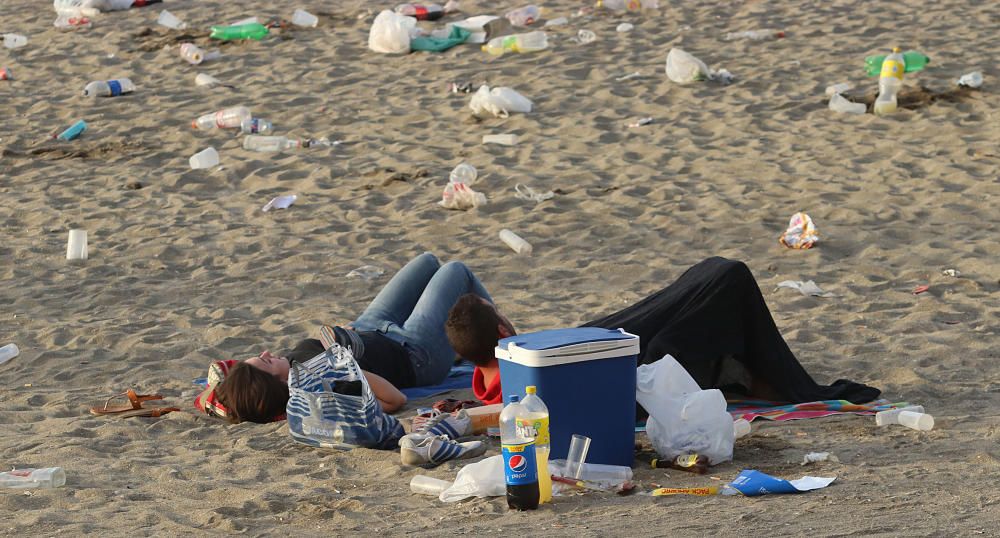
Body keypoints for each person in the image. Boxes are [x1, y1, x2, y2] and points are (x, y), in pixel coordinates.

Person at [445, 257, 881, 409]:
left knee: (701, 284)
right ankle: (764, 375)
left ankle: (745, 363)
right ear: (502, 329)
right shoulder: (525, 372)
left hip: (622, 339)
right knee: (727, 275)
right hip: (639, 355)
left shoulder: (494, 386)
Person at [199, 252, 495, 424]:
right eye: (264, 363)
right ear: (272, 383)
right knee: (457, 271)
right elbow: (395, 401)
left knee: (428, 262)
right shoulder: (320, 387)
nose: (266, 353)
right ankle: (502, 344)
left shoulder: (289, 365)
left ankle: (465, 342)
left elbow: (209, 398)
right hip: (413, 354)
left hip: (370, 327)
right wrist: (342, 362)